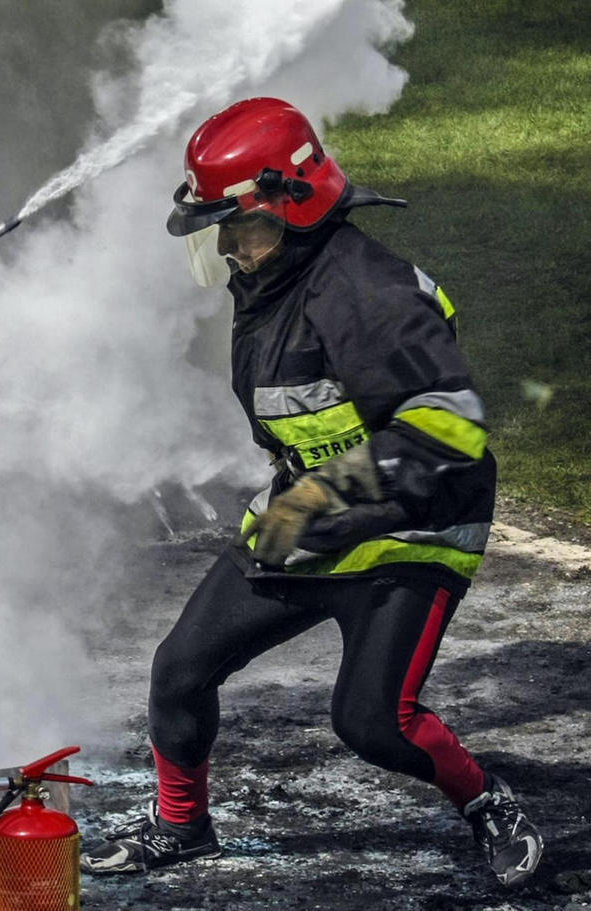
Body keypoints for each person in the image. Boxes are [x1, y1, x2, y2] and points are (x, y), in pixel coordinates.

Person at [80, 98, 544, 887]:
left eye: (237, 227)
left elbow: (451, 426)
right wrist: (304, 501)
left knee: (373, 721)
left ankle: (487, 801)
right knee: (180, 671)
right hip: (316, 513)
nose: (226, 247)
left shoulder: (367, 295)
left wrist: (322, 501)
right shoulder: (272, 284)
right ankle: (182, 824)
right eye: (217, 230)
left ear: (294, 207)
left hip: (418, 524)